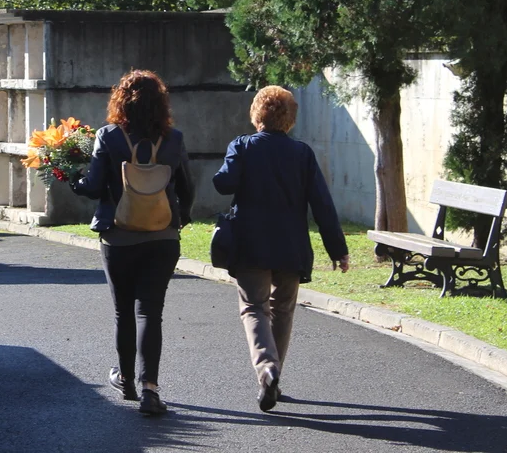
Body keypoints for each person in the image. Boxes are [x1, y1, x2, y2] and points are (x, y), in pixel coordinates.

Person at [213, 85, 350, 412]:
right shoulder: (302, 154)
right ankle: (274, 376)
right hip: (291, 246)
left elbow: (223, 183)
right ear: (290, 119)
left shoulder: (242, 146)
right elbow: (322, 204)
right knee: (283, 309)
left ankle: (266, 368)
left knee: (254, 307)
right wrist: (338, 250)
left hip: (251, 244)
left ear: (256, 115)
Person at [70, 70, 195, 416]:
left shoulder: (108, 136)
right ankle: (150, 389)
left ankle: (126, 380)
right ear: (162, 103)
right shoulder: (173, 139)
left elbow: (95, 187)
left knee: (123, 311)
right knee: (150, 312)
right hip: (162, 237)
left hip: (118, 237)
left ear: (120, 101)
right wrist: (181, 217)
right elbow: (187, 187)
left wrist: (74, 181)